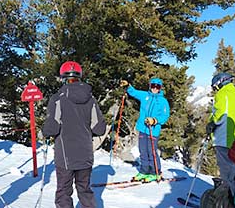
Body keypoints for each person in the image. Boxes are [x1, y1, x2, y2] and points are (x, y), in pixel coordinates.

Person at [42, 61, 106, 208]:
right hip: (85, 154)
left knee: (64, 192)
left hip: (65, 156)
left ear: (63, 78)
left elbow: (51, 128)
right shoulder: (91, 99)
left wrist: (44, 131)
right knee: (84, 190)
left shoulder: (57, 99)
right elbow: (99, 129)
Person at [120, 77, 170, 182]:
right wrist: (127, 86)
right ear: (150, 86)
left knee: (151, 151)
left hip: (154, 130)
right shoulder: (145, 96)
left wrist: (155, 120)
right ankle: (144, 171)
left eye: (157, 86)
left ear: (160, 88)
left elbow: (165, 116)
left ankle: (155, 172)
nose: (155, 88)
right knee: (142, 150)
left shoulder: (163, 101)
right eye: (153, 86)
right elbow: (133, 92)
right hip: (143, 128)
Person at [206, 72, 235, 196]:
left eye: (214, 86)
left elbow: (220, 112)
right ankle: (234, 197)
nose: (214, 89)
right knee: (234, 170)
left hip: (223, 137)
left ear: (219, 82)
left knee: (227, 172)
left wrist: (211, 123)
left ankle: (228, 200)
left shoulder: (222, 94)